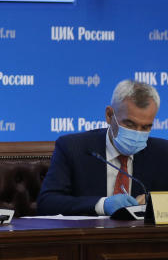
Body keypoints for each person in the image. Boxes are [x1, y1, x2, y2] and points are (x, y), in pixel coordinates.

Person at [38, 79, 168, 216]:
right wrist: (102, 205)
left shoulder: (162, 153)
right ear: (109, 115)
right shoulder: (73, 148)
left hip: (144, 237)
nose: (137, 133)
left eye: (146, 127)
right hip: (89, 236)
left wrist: (155, 202)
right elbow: (47, 203)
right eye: (129, 125)